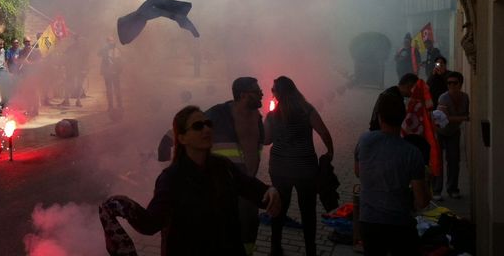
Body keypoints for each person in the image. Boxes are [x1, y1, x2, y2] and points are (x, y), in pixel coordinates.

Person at [100, 105, 281, 256]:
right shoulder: (171, 178)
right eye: (198, 126)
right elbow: (152, 223)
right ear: (182, 138)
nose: (206, 129)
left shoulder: (222, 166)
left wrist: (268, 191)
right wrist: (120, 206)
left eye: (208, 124)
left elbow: (249, 186)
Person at [264, 76, 334, 256]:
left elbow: (266, 140)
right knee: (308, 211)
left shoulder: (273, 115)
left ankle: (275, 248)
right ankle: (311, 250)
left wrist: (264, 122)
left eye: (273, 90)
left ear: (280, 92)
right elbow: (324, 132)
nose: (272, 93)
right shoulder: (307, 109)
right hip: (305, 169)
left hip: (279, 168)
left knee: (279, 209)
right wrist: (330, 152)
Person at [355, 94, 430, 256]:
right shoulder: (412, 153)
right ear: (403, 118)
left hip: (368, 222)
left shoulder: (364, 140)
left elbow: (358, 172)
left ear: (380, 117)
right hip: (399, 224)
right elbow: (422, 201)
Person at [205, 77, 264, 255]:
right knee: (222, 229)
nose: (262, 94)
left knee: (249, 226)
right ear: (244, 95)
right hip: (221, 187)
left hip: (248, 185)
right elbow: (189, 126)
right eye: (257, 91)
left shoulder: (257, 117)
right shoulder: (219, 113)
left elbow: (262, 141)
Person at [433, 71, 469, 200]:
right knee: (438, 161)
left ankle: (452, 189)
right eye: (449, 83)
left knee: (454, 161)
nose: (452, 85)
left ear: (460, 84)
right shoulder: (443, 98)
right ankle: (437, 190)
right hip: (440, 132)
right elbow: (446, 118)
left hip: (453, 132)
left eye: (455, 83)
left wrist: (460, 118)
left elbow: (463, 115)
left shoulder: (465, 98)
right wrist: (463, 117)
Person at [98, 36, 122, 110]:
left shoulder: (117, 49)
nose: (111, 42)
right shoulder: (105, 50)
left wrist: (119, 70)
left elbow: (120, 61)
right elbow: (98, 53)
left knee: (116, 89)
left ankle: (119, 105)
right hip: (108, 73)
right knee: (109, 90)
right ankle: (111, 106)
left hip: (115, 72)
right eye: (109, 41)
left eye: (111, 41)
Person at [0, 38, 9, 108]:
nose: (1, 46)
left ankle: (4, 105)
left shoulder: (3, 51)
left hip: (3, 71)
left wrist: (7, 70)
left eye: (2, 44)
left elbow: (5, 61)